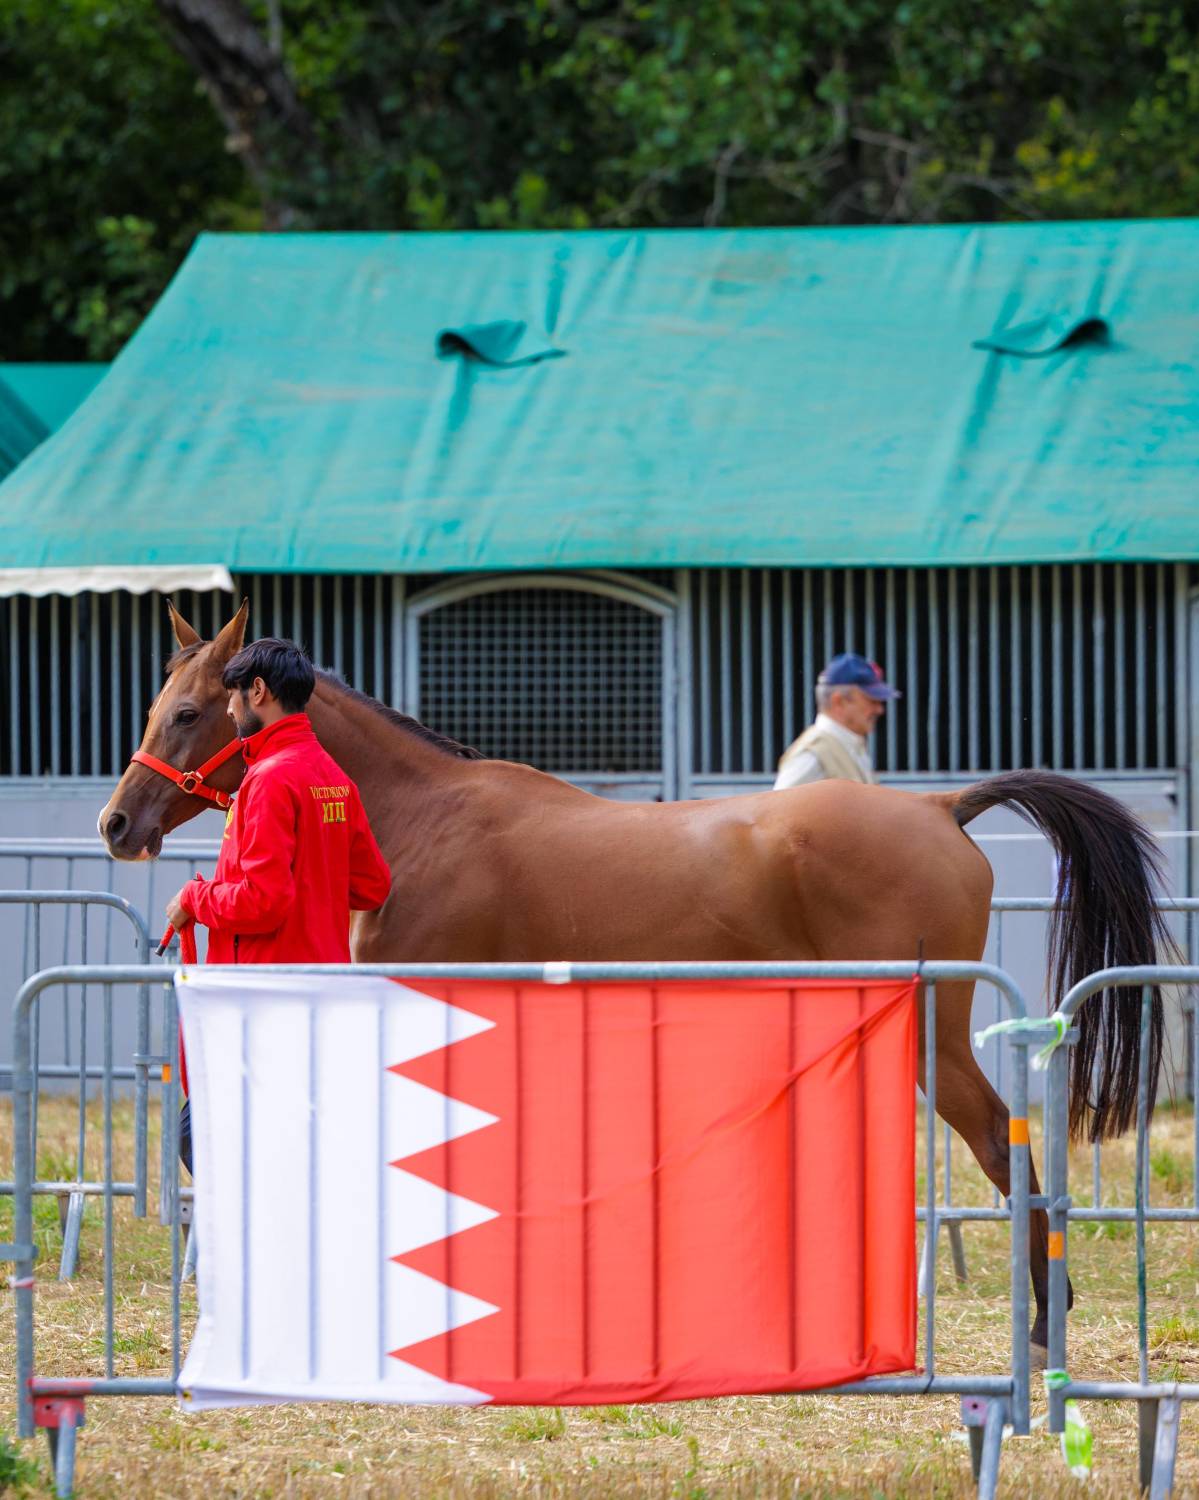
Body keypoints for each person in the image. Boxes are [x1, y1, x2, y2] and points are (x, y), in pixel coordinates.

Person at [166, 638, 392, 1170]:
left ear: (258, 692)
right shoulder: (333, 778)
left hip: (262, 999)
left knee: (206, 1141)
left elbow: (263, 903)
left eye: (232, 697)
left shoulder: (267, 780)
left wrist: (195, 898)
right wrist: (315, 879)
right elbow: (371, 886)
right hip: (319, 995)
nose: (227, 708)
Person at [773, 653, 901, 790]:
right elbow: (777, 810)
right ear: (839, 702)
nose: (879, 710)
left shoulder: (851, 745)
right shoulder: (813, 754)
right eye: (872, 700)